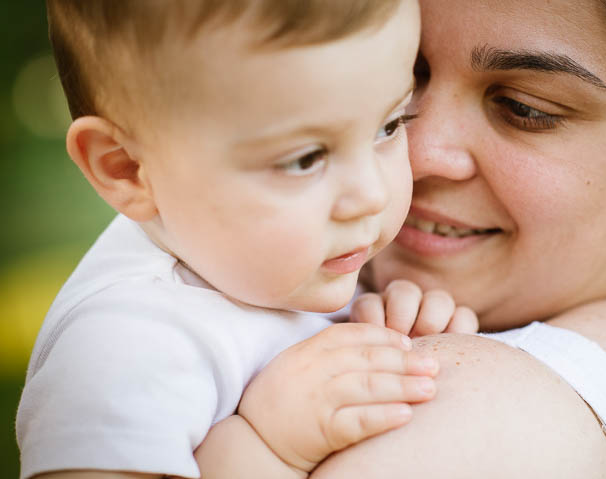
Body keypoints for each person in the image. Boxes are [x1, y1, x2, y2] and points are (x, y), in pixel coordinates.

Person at [197, 0, 606, 477]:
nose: (417, 150)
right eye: (397, 77)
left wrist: (260, 441)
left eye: (524, 108)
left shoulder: (470, 411)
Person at [16, 1, 481, 478]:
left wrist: (398, 332)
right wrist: (269, 444)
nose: (372, 194)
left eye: (389, 125)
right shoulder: (125, 345)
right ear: (128, 169)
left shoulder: (275, 266)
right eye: (305, 159)